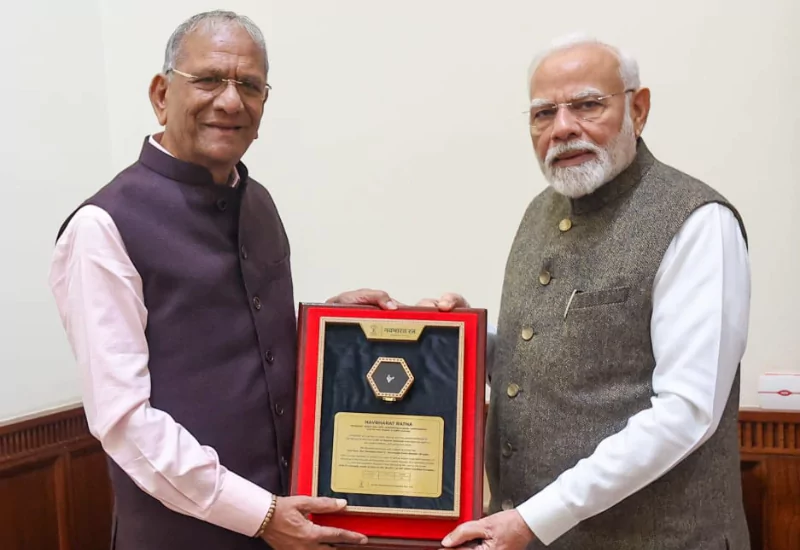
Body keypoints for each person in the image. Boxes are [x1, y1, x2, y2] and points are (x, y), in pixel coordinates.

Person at [48, 10, 397, 550]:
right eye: (209, 79)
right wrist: (261, 515)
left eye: (249, 86)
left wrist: (336, 327)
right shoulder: (103, 226)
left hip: (290, 524)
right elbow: (125, 422)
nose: (231, 101)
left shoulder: (257, 201)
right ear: (162, 94)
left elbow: (242, 345)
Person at [422, 34, 751, 549]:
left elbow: (686, 412)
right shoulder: (539, 213)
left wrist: (536, 518)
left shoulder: (699, 222)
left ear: (637, 110)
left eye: (587, 105)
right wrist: (456, 342)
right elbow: (560, 360)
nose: (563, 128)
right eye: (543, 113)